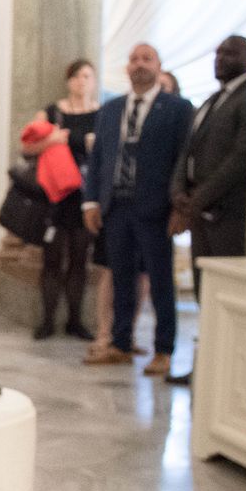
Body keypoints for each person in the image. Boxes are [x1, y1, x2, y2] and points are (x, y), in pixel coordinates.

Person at [82, 43, 193, 376]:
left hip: (156, 208)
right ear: (126, 68)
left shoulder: (177, 108)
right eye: (134, 59)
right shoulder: (112, 108)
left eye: (147, 59)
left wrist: (180, 207)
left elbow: (185, 159)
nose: (139, 64)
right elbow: (99, 158)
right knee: (121, 279)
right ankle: (120, 343)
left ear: (159, 67)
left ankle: (163, 350)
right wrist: (91, 201)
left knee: (160, 281)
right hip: (116, 207)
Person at [168, 35, 246, 386]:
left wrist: (200, 197)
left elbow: (241, 157)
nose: (220, 58)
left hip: (228, 217)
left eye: (230, 52)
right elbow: (187, 152)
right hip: (202, 215)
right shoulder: (212, 99)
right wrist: (178, 192)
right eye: (218, 52)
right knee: (206, 294)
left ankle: (226, 374)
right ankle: (205, 366)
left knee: (225, 298)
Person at [23, 59, 99, 341]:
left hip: (84, 195)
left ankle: (76, 320)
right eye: (77, 76)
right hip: (54, 196)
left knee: (80, 257)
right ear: (68, 80)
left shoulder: (101, 114)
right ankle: (47, 319)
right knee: (52, 257)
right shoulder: (53, 112)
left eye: (87, 76)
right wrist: (53, 142)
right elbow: (27, 145)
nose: (82, 81)